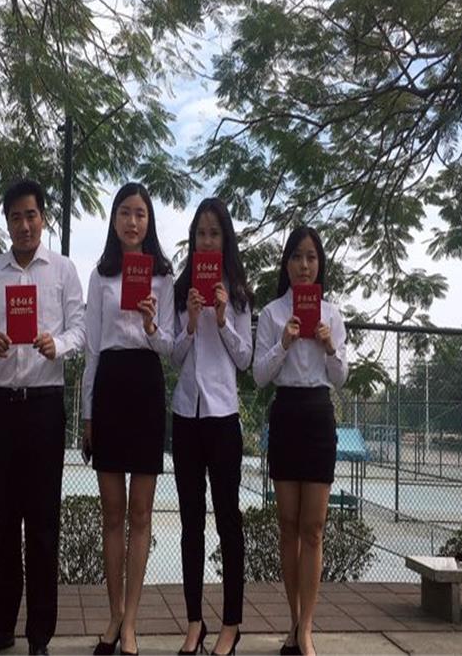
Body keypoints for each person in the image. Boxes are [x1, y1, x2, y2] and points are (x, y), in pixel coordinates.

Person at [0, 179, 85, 656]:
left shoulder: (63, 271)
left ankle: (40, 635)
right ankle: (1, 627)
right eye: (15, 216)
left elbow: (80, 329)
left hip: (43, 407)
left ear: (44, 218)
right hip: (1, 407)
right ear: (7, 222)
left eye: (31, 215)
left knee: (41, 524)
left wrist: (58, 344)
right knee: (2, 521)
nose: (24, 224)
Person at [82, 182, 174, 656]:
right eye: (124, 212)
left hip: (146, 385)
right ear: (114, 220)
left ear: (149, 221)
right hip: (110, 386)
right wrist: (87, 414)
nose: (132, 222)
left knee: (141, 513)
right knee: (112, 513)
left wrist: (152, 324)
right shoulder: (101, 275)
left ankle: (133, 621)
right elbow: (92, 350)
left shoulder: (163, 276)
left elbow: (171, 346)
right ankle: (114, 614)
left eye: (140, 213)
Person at [252, 226, 348, 656]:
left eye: (311, 257)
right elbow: (259, 376)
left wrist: (329, 346)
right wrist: (283, 343)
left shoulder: (332, 314)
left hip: (319, 415)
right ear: (286, 264)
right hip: (287, 413)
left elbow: (341, 378)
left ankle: (306, 628)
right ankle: (292, 621)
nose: (304, 265)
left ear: (319, 263)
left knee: (314, 528)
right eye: (296, 257)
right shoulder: (273, 314)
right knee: (288, 525)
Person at [171, 198, 252, 656]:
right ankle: (194, 622)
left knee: (227, 520)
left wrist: (222, 321)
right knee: (191, 523)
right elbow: (173, 356)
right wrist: (190, 322)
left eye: (214, 233)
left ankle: (232, 623)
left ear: (225, 240)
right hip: (186, 415)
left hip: (222, 417)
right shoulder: (182, 289)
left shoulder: (237, 293)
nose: (206, 241)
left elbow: (244, 359)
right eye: (200, 233)